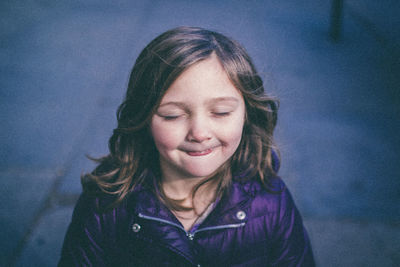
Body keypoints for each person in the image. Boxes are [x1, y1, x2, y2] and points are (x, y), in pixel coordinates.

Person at [59, 26, 315, 266]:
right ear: (143, 118)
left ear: (247, 114)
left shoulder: (271, 204)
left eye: (221, 112)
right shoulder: (106, 204)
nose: (199, 133)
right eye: (172, 115)